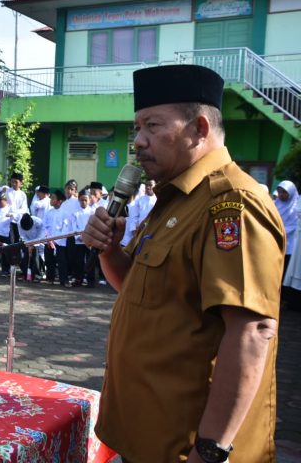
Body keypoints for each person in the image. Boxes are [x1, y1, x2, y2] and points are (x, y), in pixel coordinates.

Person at [82, 64, 283, 462]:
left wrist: (209, 452)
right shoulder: (175, 201)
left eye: (153, 126)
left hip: (186, 448)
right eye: (137, 128)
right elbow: (139, 290)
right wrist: (110, 250)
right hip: (144, 436)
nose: (138, 141)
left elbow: (252, 331)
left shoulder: (230, 204)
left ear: (200, 129)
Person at [274, 180, 297, 304]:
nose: (281, 195)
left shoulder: (295, 207)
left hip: (290, 245)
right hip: (276, 244)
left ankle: (286, 299)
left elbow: (294, 225)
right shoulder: (275, 204)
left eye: (284, 192)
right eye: (280, 192)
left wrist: (279, 230)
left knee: (286, 272)